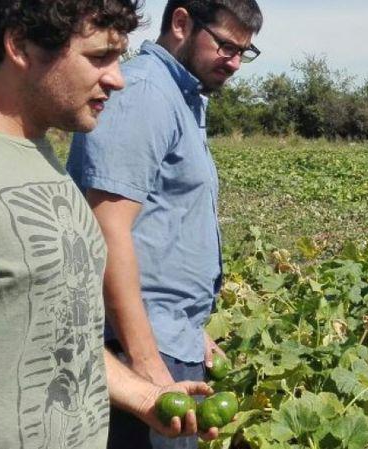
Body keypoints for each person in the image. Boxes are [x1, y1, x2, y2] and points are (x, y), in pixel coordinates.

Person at [0, 1, 217, 448]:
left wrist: (147, 396)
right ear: (20, 45)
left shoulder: (40, 155)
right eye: (98, 57)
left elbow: (59, 328)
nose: (118, 78)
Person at [66, 1, 263, 447]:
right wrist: (149, 365)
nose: (233, 63)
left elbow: (159, 230)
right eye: (227, 46)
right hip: (136, 354)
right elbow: (107, 232)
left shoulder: (179, 98)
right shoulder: (144, 94)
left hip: (169, 342)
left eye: (244, 53)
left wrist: (190, 333)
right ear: (181, 22)